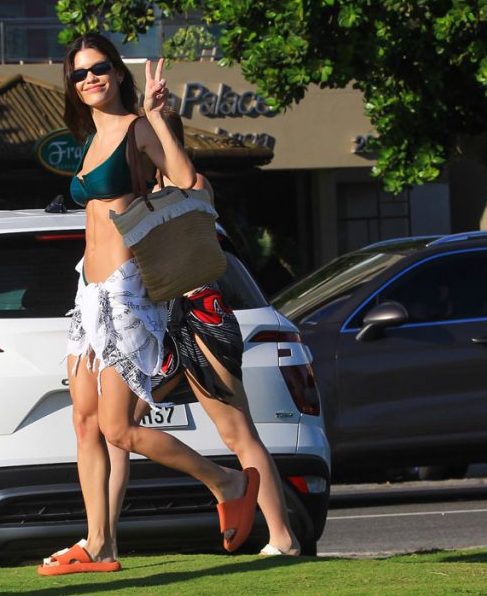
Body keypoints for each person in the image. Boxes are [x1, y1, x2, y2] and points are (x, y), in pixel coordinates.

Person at [39, 33, 260, 576]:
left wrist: (158, 116)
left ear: (117, 72)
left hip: (126, 293)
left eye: (98, 69)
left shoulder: (136, 128)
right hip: (86, 294)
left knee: (119, 430)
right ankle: (98, 547)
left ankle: (228, 482)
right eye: (79, 73)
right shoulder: (88, 138)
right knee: (86, 426)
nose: (89, 78)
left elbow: (187, 181)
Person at [105, 110, 302, 557]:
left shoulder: (191, 189)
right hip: (157, 327)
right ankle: (104, 540)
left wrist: (156, 120)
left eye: (148, 140)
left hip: (201, 317)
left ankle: (282, 537)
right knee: (116, 428)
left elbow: (190, 181)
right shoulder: (137, 195)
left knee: (237, 431)